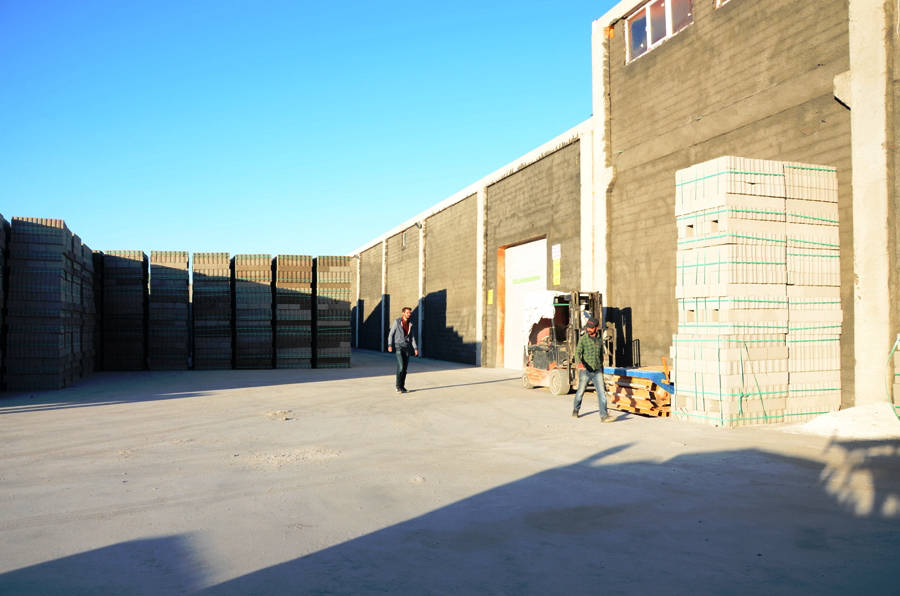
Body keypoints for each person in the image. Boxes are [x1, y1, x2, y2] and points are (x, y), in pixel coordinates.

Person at [572, 317, 613, 422]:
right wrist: (579, 364)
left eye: (591, 327)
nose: (588, 329)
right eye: (588, 327)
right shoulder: (583, 339)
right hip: (585, 371)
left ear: (596, 328)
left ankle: (604, 416)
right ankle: (576, 410)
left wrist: (601, 370)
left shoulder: (599, 340)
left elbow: (600, 356)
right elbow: (577, 353)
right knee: (580, 392)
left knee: (602, 393)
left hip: (597, 371)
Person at [387, 306, 418, 394]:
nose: (409, 314)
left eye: (410, 313)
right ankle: (398, 386)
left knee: (404, 369)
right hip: (399, 346)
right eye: (407, 313)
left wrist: (415, 348)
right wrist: (389, 345)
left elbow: (412, 337)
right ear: (403, 313)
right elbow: (391, 334)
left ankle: (402, 387)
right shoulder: (397, 322)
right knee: (400, 367)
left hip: (407, 347)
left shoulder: (410, 324)